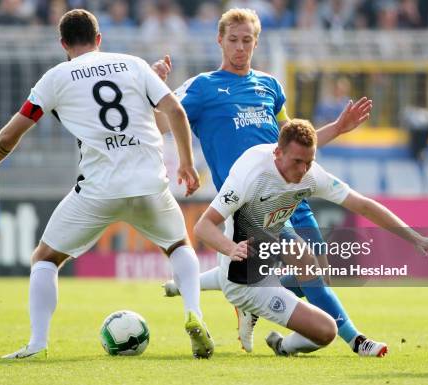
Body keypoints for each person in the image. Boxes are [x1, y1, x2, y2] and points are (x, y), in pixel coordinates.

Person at [0, 9, 214, 359]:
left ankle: (38, 343)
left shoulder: (56, 77)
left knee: (45, 258)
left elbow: (12, 132)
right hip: (150, 183)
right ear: (99, 39)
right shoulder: (134, 65)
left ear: (63, 44)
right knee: (179, 247)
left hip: (99, 189)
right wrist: (188, 164)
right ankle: (194, 313)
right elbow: (175, 111)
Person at [152, 7, 387, 357]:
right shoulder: (202, 87)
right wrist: (155, 89)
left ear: (256, 42)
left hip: (292, 191)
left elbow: (294, 141)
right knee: (305, 268)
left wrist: (337, 127)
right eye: (233, 40)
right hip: (250, 201)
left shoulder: (270, 86)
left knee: (314, 277)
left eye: (247, 40)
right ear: (220, 40)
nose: (240, 48)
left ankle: (282, 343)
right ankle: (357, 340)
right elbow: (160, 125)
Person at [194, 119, 428, 357]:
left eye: (309, 162)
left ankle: (309, 343)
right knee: (326, 329)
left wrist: (414, 237)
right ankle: (232, 295)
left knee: (308, 262)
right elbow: (203, 226)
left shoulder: (310, 173)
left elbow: (363, 205)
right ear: (277, 153)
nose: (304, 170)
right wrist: (230, 248)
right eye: (298, 162)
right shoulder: (248, 176)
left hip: (270, 235)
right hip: (242, 274)